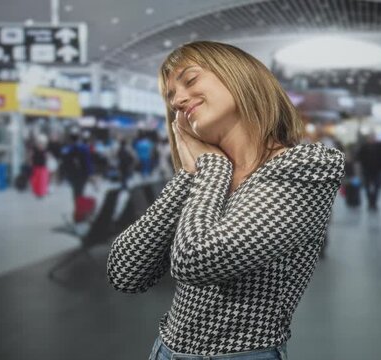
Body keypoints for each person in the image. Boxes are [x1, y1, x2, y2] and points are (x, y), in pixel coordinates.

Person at [107, 41, 345, 359]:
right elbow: (126, 271)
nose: (177, 100)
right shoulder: (207, 176)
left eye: (190, 80)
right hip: (164, 350)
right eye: (170, 96)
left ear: (241, 77)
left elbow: (196, 260)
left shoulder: (306, 166)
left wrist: (210, 166)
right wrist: (190, 175)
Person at [356, 134, 381, 211]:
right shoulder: (364, 147)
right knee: (367, 186)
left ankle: (374, 201)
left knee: (377, 186)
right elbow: (359, 157)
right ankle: (370, 201)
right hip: (367, 170)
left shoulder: (380, 147)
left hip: (377, 170)